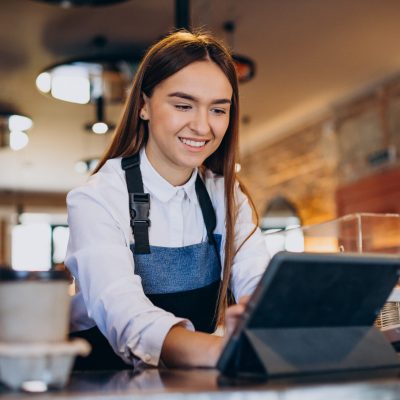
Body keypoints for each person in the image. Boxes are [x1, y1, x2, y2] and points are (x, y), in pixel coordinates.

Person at [65, 29, 269, 370]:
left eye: (218, 110)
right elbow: (125, 314)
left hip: (187, 382)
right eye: (183, 105)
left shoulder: (227, 196)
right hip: (101, 383)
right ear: (144, 105)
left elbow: (257, 280)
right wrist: (220, 351)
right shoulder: (96, 198)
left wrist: (263, 316)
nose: (203, 127)